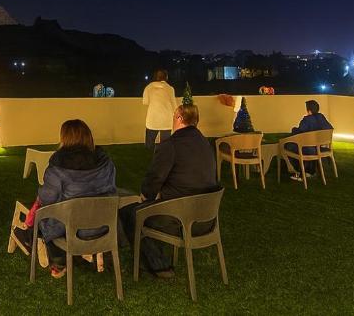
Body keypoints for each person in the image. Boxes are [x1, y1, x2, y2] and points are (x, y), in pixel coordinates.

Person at [119, 104, 218, 279]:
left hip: (179, 217)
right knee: (144, 209)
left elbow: (154, 178)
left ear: (179, 118)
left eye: (174, 116)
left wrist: (146, 196)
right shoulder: (205, 143)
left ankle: (158, 266)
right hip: (206, 217)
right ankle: (154, 258)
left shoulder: (171, 144)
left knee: (131, 213)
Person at [12, 120, 116, 278]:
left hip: (71, 228)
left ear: (64, 138)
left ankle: (58, 261)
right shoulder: (105, 162)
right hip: (103, 227)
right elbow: (111, 189)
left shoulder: (58, 166)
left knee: (46, 216)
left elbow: (46, 198)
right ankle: (91, 255)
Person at [284, 99, 333, 181]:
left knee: (288, 147)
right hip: (319, 147)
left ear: (309, 110)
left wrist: (293, 130)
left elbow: (300, 132)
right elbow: (329, 129)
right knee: (308, 148)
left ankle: (301, 172)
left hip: (310, 149)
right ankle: (310, 171)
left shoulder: (306, 120)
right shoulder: (322, 118)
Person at [142, 69, 177, 150]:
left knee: (149, 144)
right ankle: (163, 154)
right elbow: (174, 104)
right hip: (166, 119)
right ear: (166, 77)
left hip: (152, 119)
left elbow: (145, 102)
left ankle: (149, 153)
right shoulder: (170, 88)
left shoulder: (148, 87)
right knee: (165, 144)